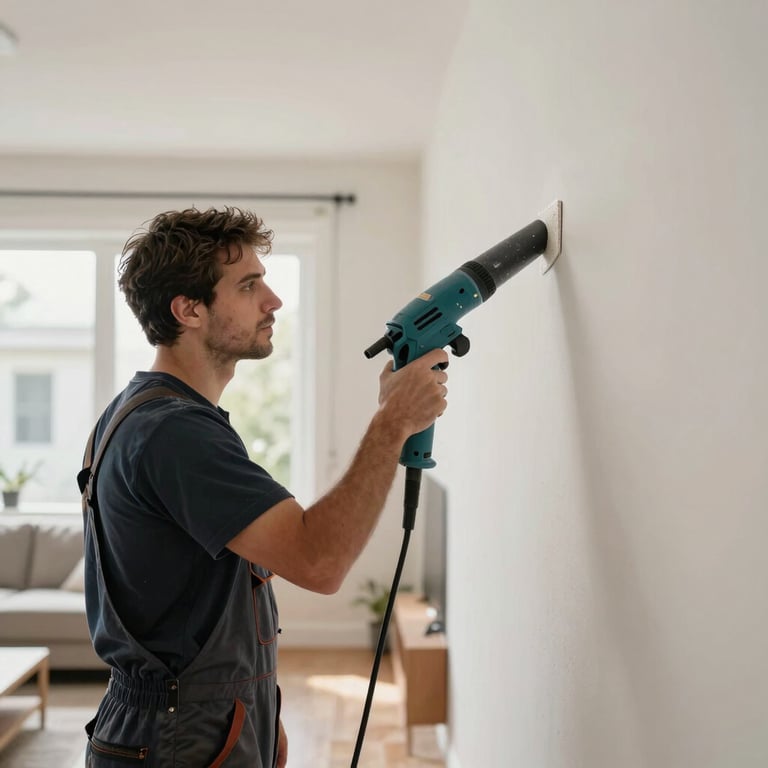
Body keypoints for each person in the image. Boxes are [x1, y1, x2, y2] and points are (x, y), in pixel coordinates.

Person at [79, 206, 449, 767]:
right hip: (176, 739)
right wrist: (392, 424)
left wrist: (253, 715)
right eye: (249, 286)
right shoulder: (174, 432)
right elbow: (320, 561)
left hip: (193, 723)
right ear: (190, 310)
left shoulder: (145, 413)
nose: (273, 301)